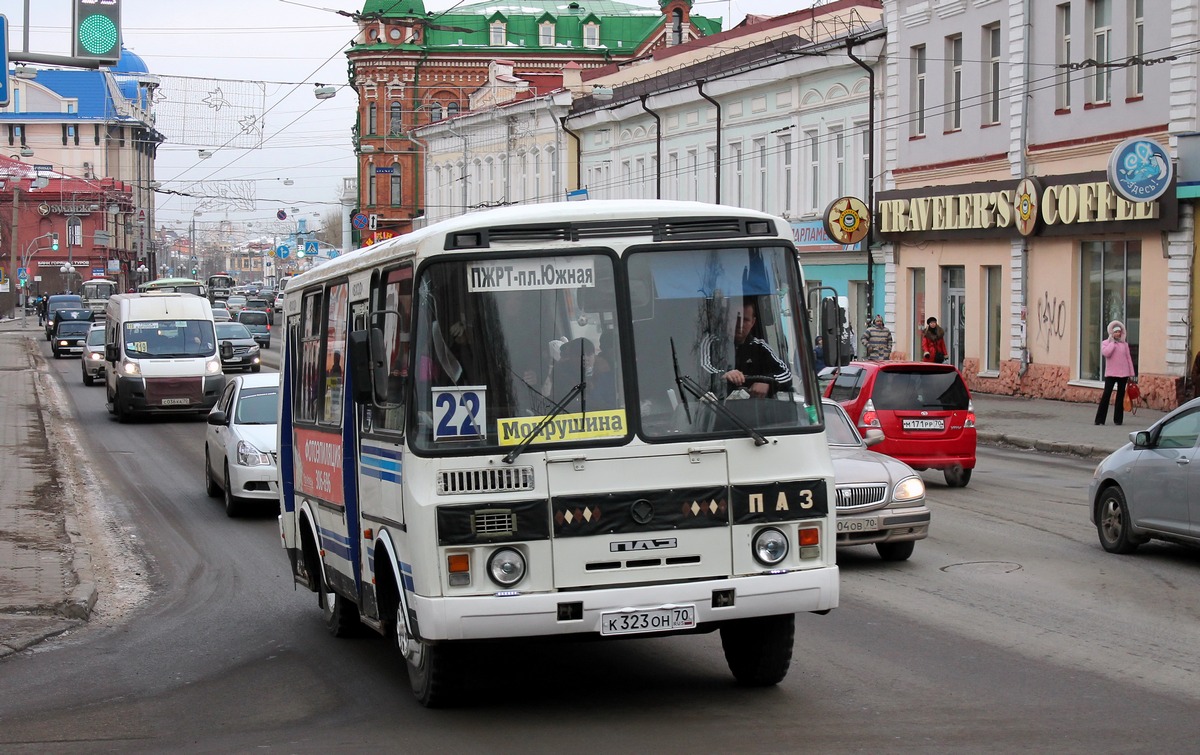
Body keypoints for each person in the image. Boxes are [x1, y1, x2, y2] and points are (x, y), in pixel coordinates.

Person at [702, 300, 792, 397]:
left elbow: (786, 374)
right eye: (735, 318)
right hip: (714, 407)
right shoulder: (711, 342)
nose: (739, 324)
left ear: (753, 322)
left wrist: (768, 384)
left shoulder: (760, 346)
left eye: (745, 320)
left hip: (753, 408)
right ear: (727, 319)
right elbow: (702, 371)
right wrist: (724, 375)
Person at [1095, 320, 1135, 426]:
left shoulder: (1124, 345)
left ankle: (1118, 420)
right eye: (1116, 332)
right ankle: (1099, 419)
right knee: (1106, 395)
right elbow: (1106, 353)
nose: (1118, 334)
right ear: (1112, 332)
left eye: (1119, 332)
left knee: (1120, 396)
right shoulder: (1106, 343)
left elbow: (1128, 359)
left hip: (1123, 374)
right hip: (1111, 374)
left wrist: (1131, 373)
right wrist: (1112, 342)